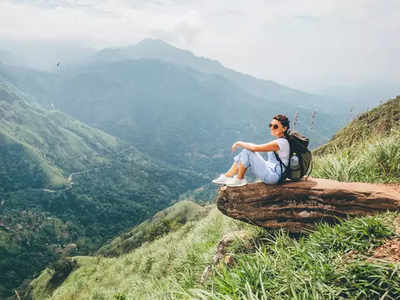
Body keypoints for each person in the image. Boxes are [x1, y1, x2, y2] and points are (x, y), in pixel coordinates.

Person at [212, 114, 290, 187]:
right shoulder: (283, 141)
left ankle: (239, 179)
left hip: (273, 176)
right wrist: (244, 144)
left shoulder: (280, 143)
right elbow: (254, 147)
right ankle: (227, 176)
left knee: (247, 152)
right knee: (246, 152)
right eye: (270, 125)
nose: (271, 128)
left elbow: (254, 148)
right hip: (271, 170)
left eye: (275, 126)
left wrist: (239, 143)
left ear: (284, 128)